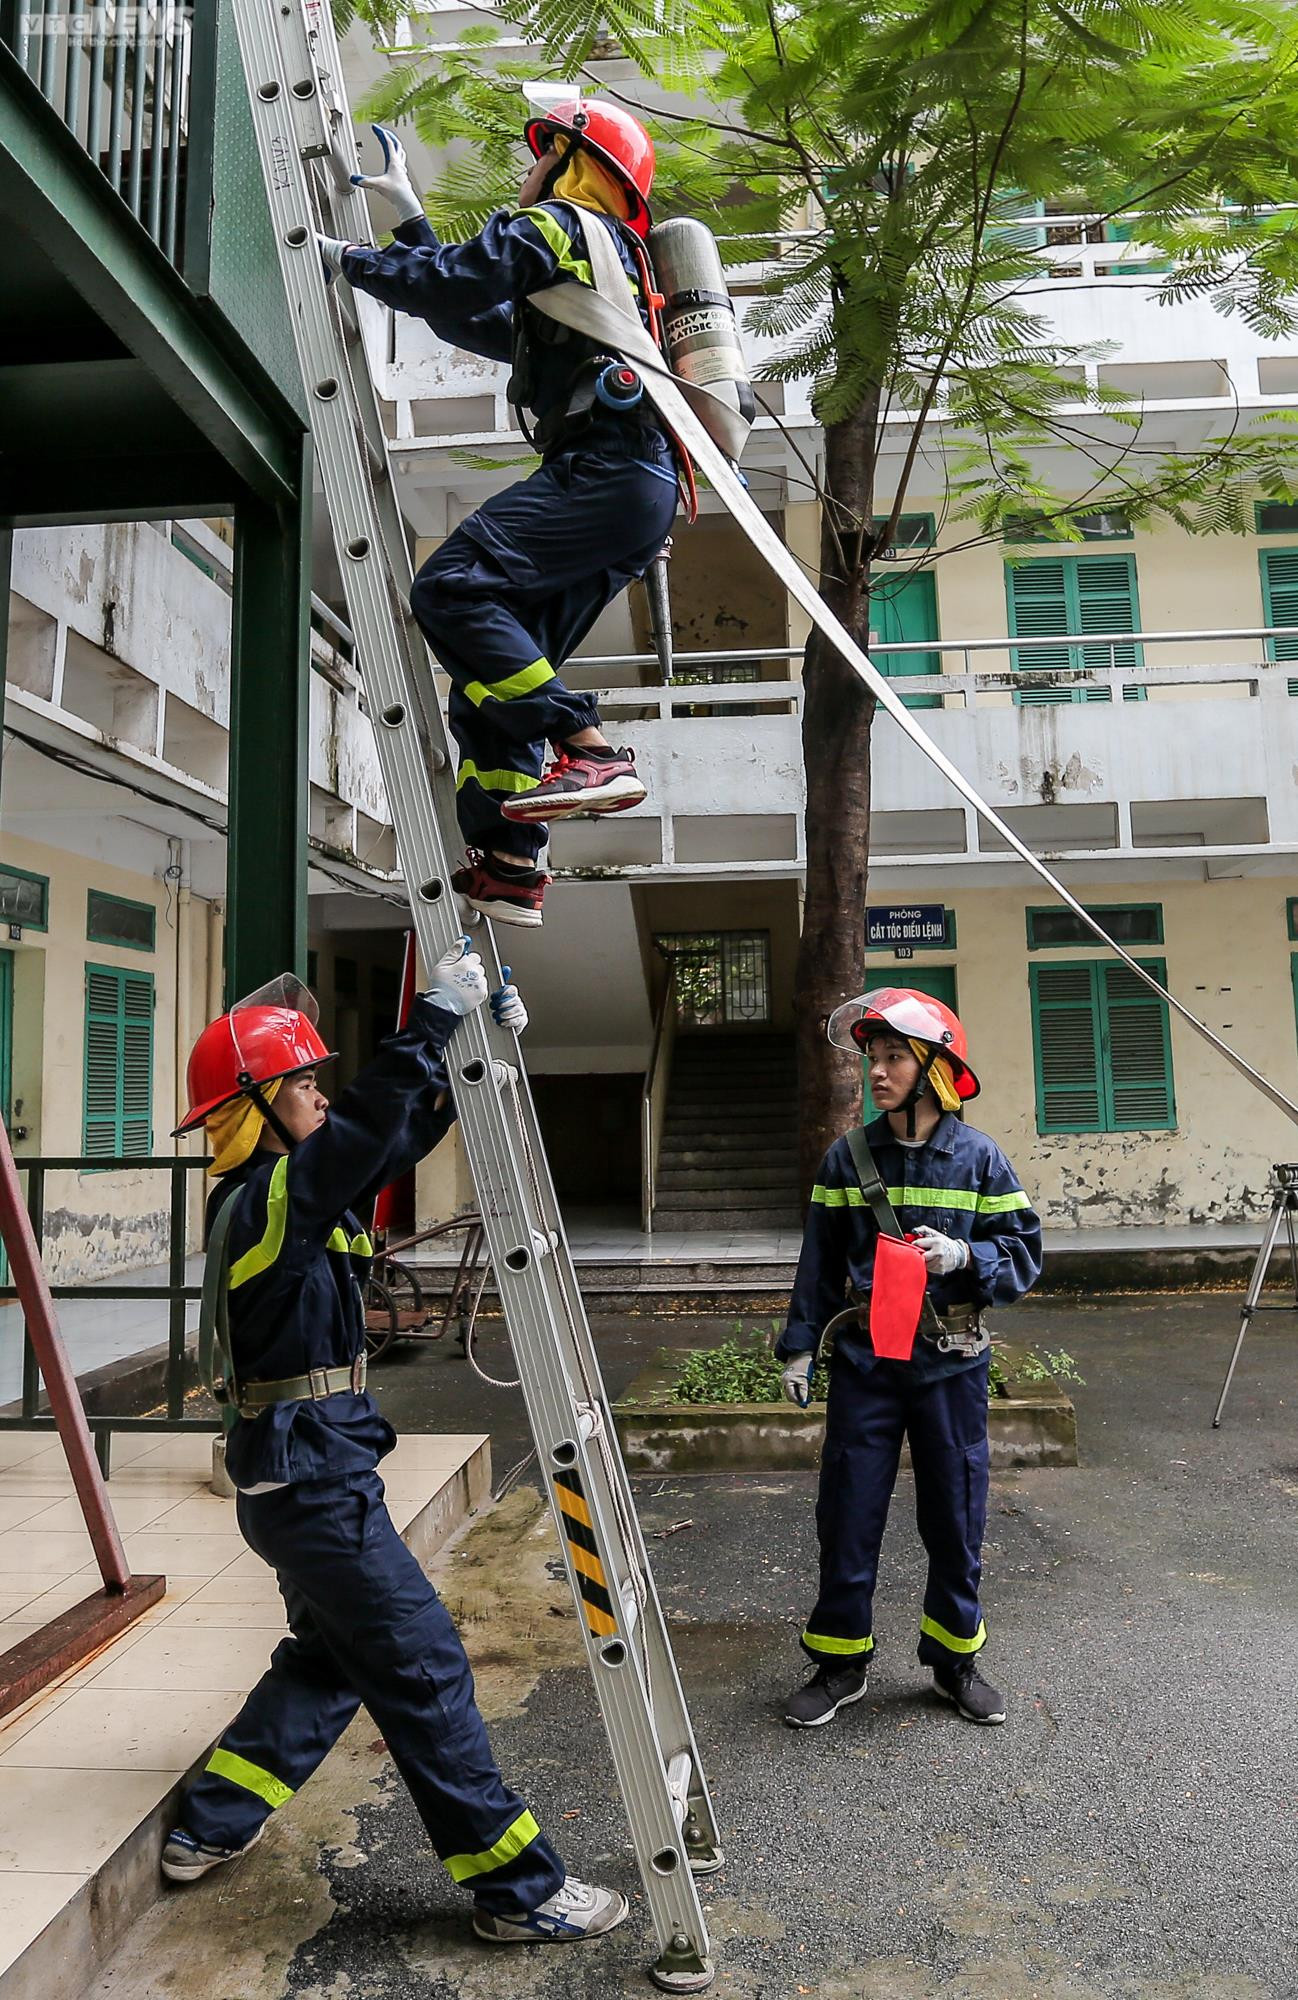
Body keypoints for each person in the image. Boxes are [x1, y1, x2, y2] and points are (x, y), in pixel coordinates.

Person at [161, 943, 626, 1948]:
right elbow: (367, 1127)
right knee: (419, 1667)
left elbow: (384, 1138)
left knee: (332, 1657)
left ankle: (207, 1822)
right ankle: (516, 1886)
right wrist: (429, 1021)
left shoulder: (287, 1196)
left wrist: (467, 1062)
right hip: (313, 1487)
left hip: (306, 1477)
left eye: (323, 1080)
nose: (322, 1095)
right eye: (303, 1082)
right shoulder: (262, 1202)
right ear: (253, 1102)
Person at [318, 100, 678, 929]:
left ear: (567, 161)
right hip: (632, 492)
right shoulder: (599, 263)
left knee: (451, 587)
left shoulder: (561, 226)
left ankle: (589, 750)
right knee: (489, 684)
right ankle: (513, 863)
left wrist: (342, 260)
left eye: (536, 156)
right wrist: (409, 219)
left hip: (611, 470)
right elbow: (465, 312)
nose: (525, 174)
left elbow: (455, 283)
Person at [776, 988, 1042, 1731]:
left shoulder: (981, 1159)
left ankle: (955, 1661)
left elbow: (1025, 1255)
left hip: (952, 1367)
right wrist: (799, 1347)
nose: (878, 1072)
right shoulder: (847, 1157)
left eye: (894, 1057)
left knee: (955, 1516)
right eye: (873, 1058)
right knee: (849, 1512)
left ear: (933, 1069)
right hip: (866, 1366)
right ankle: (839, 1664)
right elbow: (819, 1264)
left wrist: (966, 1254)